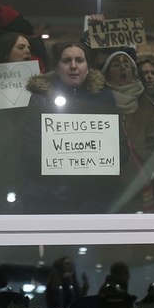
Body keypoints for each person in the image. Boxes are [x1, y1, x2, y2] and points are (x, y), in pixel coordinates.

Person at [21, 43, 122, 213]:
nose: (73, 66)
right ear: (57, 68)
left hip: (95, 199)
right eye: (67, 61)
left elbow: (120, 146)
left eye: (80, 60)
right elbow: (30, 146)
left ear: (88, 67)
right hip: (50, 198)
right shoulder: (41, 99)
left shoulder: (104, 98)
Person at [0, 32, 35, 213]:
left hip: (27, 164)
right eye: (20, 47)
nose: (27, 51)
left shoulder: (40, 85)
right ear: (6, 52)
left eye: (28, 47)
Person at [102, 51, 154, 212]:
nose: (122, 68)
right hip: (106, 177)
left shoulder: (147, 104)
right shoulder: (99, 101)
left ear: (134, 72)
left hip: (137, 177)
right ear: (107, 73)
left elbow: (152, 141)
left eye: (127, 64)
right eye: (116, 64)